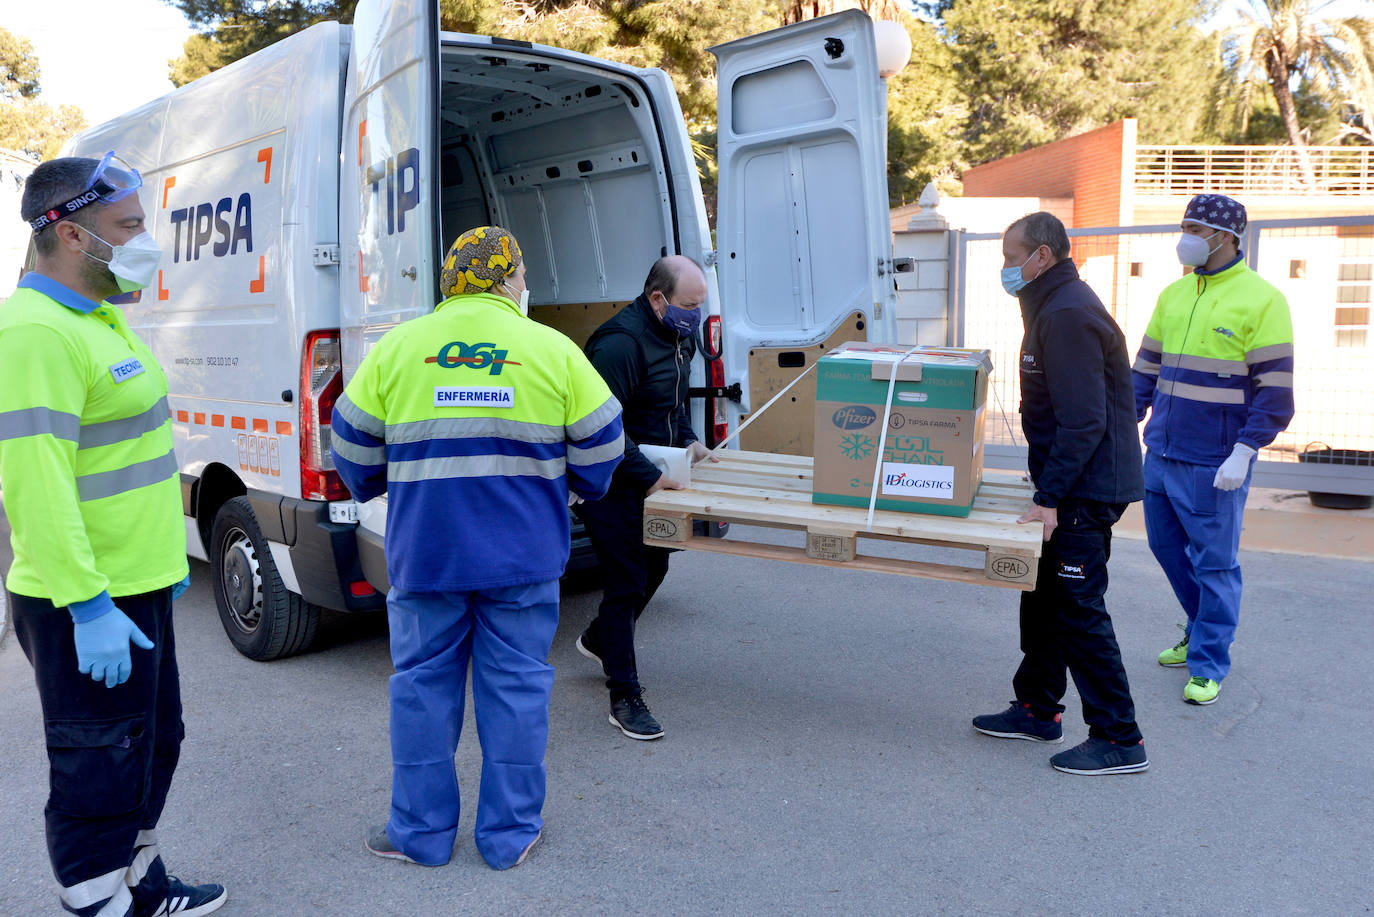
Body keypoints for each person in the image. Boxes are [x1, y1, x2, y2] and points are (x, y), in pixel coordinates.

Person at [330, 225, 623, 870]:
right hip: (523, 559)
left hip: (426, 555)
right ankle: (509, 837)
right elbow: (604, 447)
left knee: (421, 690)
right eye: (521, 275)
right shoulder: (553, 349)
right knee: (517, 688)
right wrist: (568, 489)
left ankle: (420, 835)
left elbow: (348, 445)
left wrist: (382, 482)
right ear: (509, 278)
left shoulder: (399, 348)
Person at [2, 154, 225, 915]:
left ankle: (141, 883)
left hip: (140, 583)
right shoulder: (34, 334)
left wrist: (158, 567)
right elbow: (36, 485)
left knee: (152, 746)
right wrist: (89, 603)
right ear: (69, 233)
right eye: (128, 226)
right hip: (86, 600)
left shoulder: (95, 318)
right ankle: (95, 901)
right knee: (99, 764)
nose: (145, 241)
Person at [972, 212, 1149, 776]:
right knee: (1041, 595)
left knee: (1077, 607)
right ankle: (1037, 708)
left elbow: (1084, 422)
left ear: (1041, 256)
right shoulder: (1051, 305)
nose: (1006, 268)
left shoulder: (1068, 313)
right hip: (1068, 483)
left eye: (1010, 256)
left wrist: (1050, 496)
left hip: (1083, 490)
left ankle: (1119, 738)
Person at [1132, 194, 1294, 706]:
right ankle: (1200, 628)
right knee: (1164, 548)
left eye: (1196, 228)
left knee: (1216, 564)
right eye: (1184, 225)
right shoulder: (1174, 295)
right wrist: (1123, 421)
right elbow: (1145, 371)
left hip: (1215, 461)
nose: (1186, 237)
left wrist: (1246, 451)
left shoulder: (1262, 299)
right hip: (1161, 452)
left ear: (1227, 237)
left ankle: (1208, 662)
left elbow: (1276, 389)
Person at [572, 255, 714, 741]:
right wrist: (648, 477)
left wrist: (688, 438)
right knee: (627, 579)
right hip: (609, 478)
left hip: (650, 470)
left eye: (699, 306)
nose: (695, 315)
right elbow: (599, 427)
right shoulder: (619, 345)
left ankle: (598, 639)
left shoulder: (678, 334)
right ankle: (624, 696)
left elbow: (673, 399)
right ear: (658, 299)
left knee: (657, 565)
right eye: (688, 306)